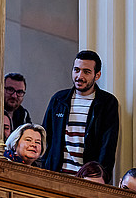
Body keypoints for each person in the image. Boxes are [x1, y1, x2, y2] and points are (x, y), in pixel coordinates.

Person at [42, 50, 119, 182]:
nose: (79, 76)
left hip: (87, 180)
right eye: (76, 70)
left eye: (86, 72)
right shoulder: (58, 99)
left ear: (97, 75)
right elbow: (45, 136)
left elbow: (108, 147)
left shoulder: (107, 103)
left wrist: (101, 180)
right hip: (56, 175)